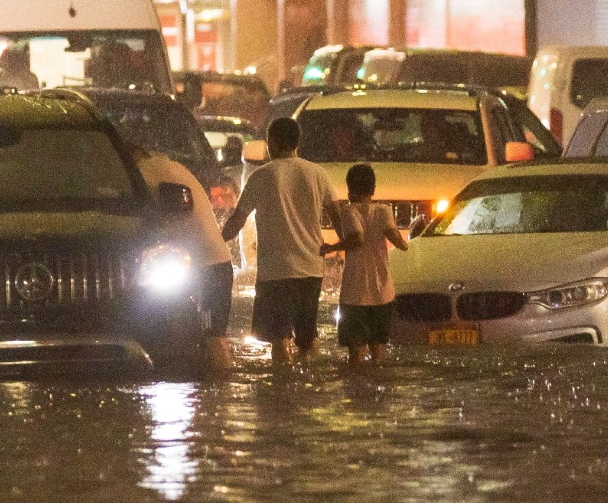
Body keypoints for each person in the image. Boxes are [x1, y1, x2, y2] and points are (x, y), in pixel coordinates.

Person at [221, 117, 338, 365]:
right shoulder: (318, 173)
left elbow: (237, 221)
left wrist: (216, 243)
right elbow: (338, 217)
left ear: (271, 143)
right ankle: (310, 389)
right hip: (312, 270)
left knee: (279, 341)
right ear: (297, 142)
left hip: (276, 273)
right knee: (308, 340)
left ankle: (283, 394)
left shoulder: (262, 176)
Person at [132, 145, 235, 371]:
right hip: (210, 264)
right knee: (208, 337)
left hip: (206, 267)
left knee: (212, 337)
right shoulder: (173, 166)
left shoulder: (142, 173)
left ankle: (221, 387)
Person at [323, 164, 408, 366]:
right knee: (379, 352)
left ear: (350, 190)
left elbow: (357, 238)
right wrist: (407, 239)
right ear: (373, 190)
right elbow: (399, 242)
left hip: (355, 294)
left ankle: (357, 393)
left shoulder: (348, 210)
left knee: (355, 355)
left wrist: (331, 247)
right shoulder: (384, 210)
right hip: (383, 293)